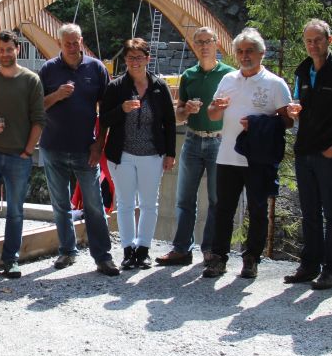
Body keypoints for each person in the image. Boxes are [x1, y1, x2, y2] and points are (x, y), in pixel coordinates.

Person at [204, 28, 292, 279]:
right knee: (223, 209)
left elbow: (288, 121)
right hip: (227, 155)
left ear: (261, 53)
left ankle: (251, 259)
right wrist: (215, 107)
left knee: (257, 210)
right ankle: (218, 258)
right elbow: (212, 114)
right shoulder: (228, 80)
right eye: (240, 51)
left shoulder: (275, 84)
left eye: (250, 51)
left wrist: (258, 123)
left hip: (258, 158)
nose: (244, 56)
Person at [283, 20, 332, 290]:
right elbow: (298, 103)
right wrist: (293, 110)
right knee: (309, 212)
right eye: (308, 40)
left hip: (330, 155)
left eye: (318, 40)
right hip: (305, 151)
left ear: (330, 40)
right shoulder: (303, 71)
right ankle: (309, 265)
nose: (313, 45)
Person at [38, 24, 117, 275]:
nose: (72, 47)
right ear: (59, 44)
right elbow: (36, 107)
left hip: (86, 149)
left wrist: (99, 144)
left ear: (81, 41)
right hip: (53, 147)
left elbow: (106, 110)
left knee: (94, 205)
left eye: (76, 42)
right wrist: (57, 95)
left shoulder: (96, 68)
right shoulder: (48, 69)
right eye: (67, 43)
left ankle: (103, 257)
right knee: (60, 204)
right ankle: (67, 251)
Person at [0, 30, 47, 278]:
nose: (5, 54)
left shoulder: (31, 80)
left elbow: (39, 120)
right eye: (1, 50)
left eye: (9, 49)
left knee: (15, 210)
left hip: (18, 156)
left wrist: (28, 151)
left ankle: (10, 259)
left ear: (17, 50)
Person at [156, 27, 233, 267]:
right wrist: (186, 110)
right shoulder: (188, 75)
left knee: (216, 200)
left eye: (208, 41)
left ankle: (210, 250)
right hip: (192, 140)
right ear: (194, 45)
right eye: (199, 42)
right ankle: (182, 249)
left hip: (219, 141)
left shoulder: (229, 75)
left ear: (216, 44)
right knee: (184, 199)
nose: (204, 46)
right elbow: (178, 115)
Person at [99, 38, 177, 270]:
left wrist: (170, 153)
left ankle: (143, 250)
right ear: (125, 60)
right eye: (131, 57)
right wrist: (121, 109)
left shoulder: (159, 86)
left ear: (148, 59)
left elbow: (169, 122)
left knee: (149, 204)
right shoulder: (116, 87)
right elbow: (104, 119)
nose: (135, 62)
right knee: (124, 204)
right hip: (122, 154)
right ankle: (127, 250)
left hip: (152, 155)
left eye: (139, 57)